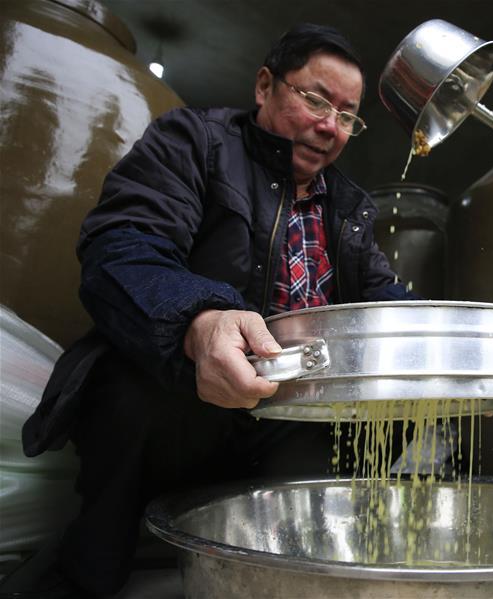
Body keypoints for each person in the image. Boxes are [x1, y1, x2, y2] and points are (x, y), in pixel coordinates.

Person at [9, 23, 413, 597]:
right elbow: (121, 248)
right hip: (184, 404)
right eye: (316, 99)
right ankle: (87, 575)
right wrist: (201, 323)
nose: (330, 126)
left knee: (382, 420)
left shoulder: (348, 207)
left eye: (347, 115)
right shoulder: (195, 142)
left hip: (289, 415)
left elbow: (383, 302)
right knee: (133, 392)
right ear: (265, 85)